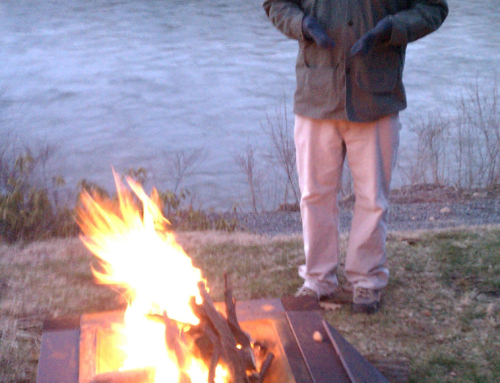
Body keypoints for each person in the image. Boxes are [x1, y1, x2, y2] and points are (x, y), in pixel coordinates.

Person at [263, 0, 448, 313]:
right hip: (316, 95)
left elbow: (433, 8)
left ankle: (366, 281)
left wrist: (390, 29)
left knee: (373, 198)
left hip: (377, 95)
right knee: (314, 196)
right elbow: (275, 4)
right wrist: (303, 25)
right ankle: (318, 279)